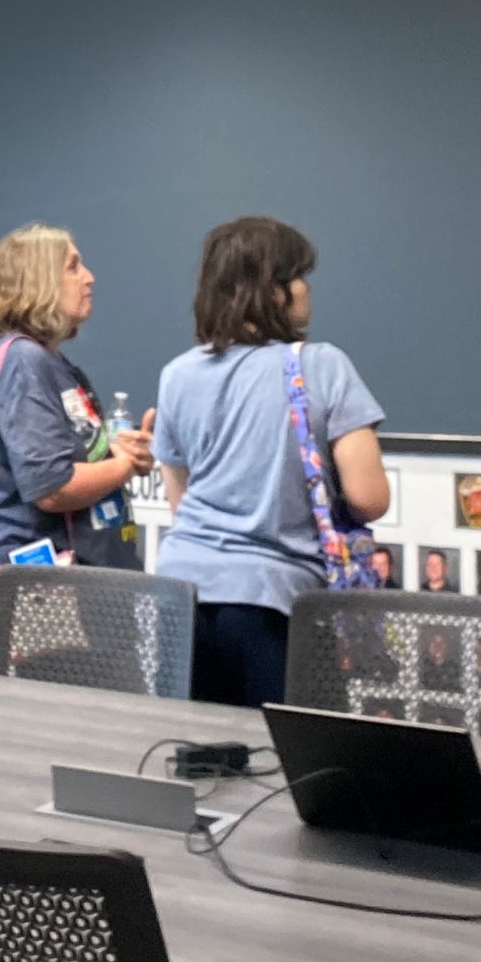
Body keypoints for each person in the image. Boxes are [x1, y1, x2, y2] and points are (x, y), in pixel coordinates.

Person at [153, 217, 390, 705]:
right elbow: (369, 499)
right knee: (278, 765)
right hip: (271, 606)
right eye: (299, 276)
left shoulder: (176, 375)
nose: (307, 290)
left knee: (195, 758)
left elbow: (180, 502)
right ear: (273, 290)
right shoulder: (321, 365)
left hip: (178, 598)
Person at [0, 224, 154, 618]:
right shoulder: (24, 361)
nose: (89, 277)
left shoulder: (57, 366)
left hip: (82, 583)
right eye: (73, 266)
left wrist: (120, 453)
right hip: (47, 593)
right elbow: (51, 487)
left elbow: (77, 463)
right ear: (39, 282)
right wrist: (122, 467)